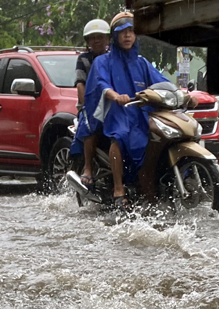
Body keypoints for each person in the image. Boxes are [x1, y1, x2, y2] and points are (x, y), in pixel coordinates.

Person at [83, 12, 169, 210]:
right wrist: (115, 96)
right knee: (119, 135)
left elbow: (162, 82)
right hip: (114, 112)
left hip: (140, 112)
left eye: (131, 31)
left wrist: (184, 95)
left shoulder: (142, 62)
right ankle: (118, 188)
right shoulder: (102, 61)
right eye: (123, 32)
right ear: (115, 36)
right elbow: (102, 84)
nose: (128, 36)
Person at [70, 18, 110, 191]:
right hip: (91, 106)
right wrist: (86, 105)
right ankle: (88, 167)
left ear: (108, 39)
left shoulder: (113, 58)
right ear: (87, 42)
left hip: (112, 104)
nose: (97, 40)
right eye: (92, 38)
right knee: (91, 125)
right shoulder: (84, 59)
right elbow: (80, 84)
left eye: (100, 36)